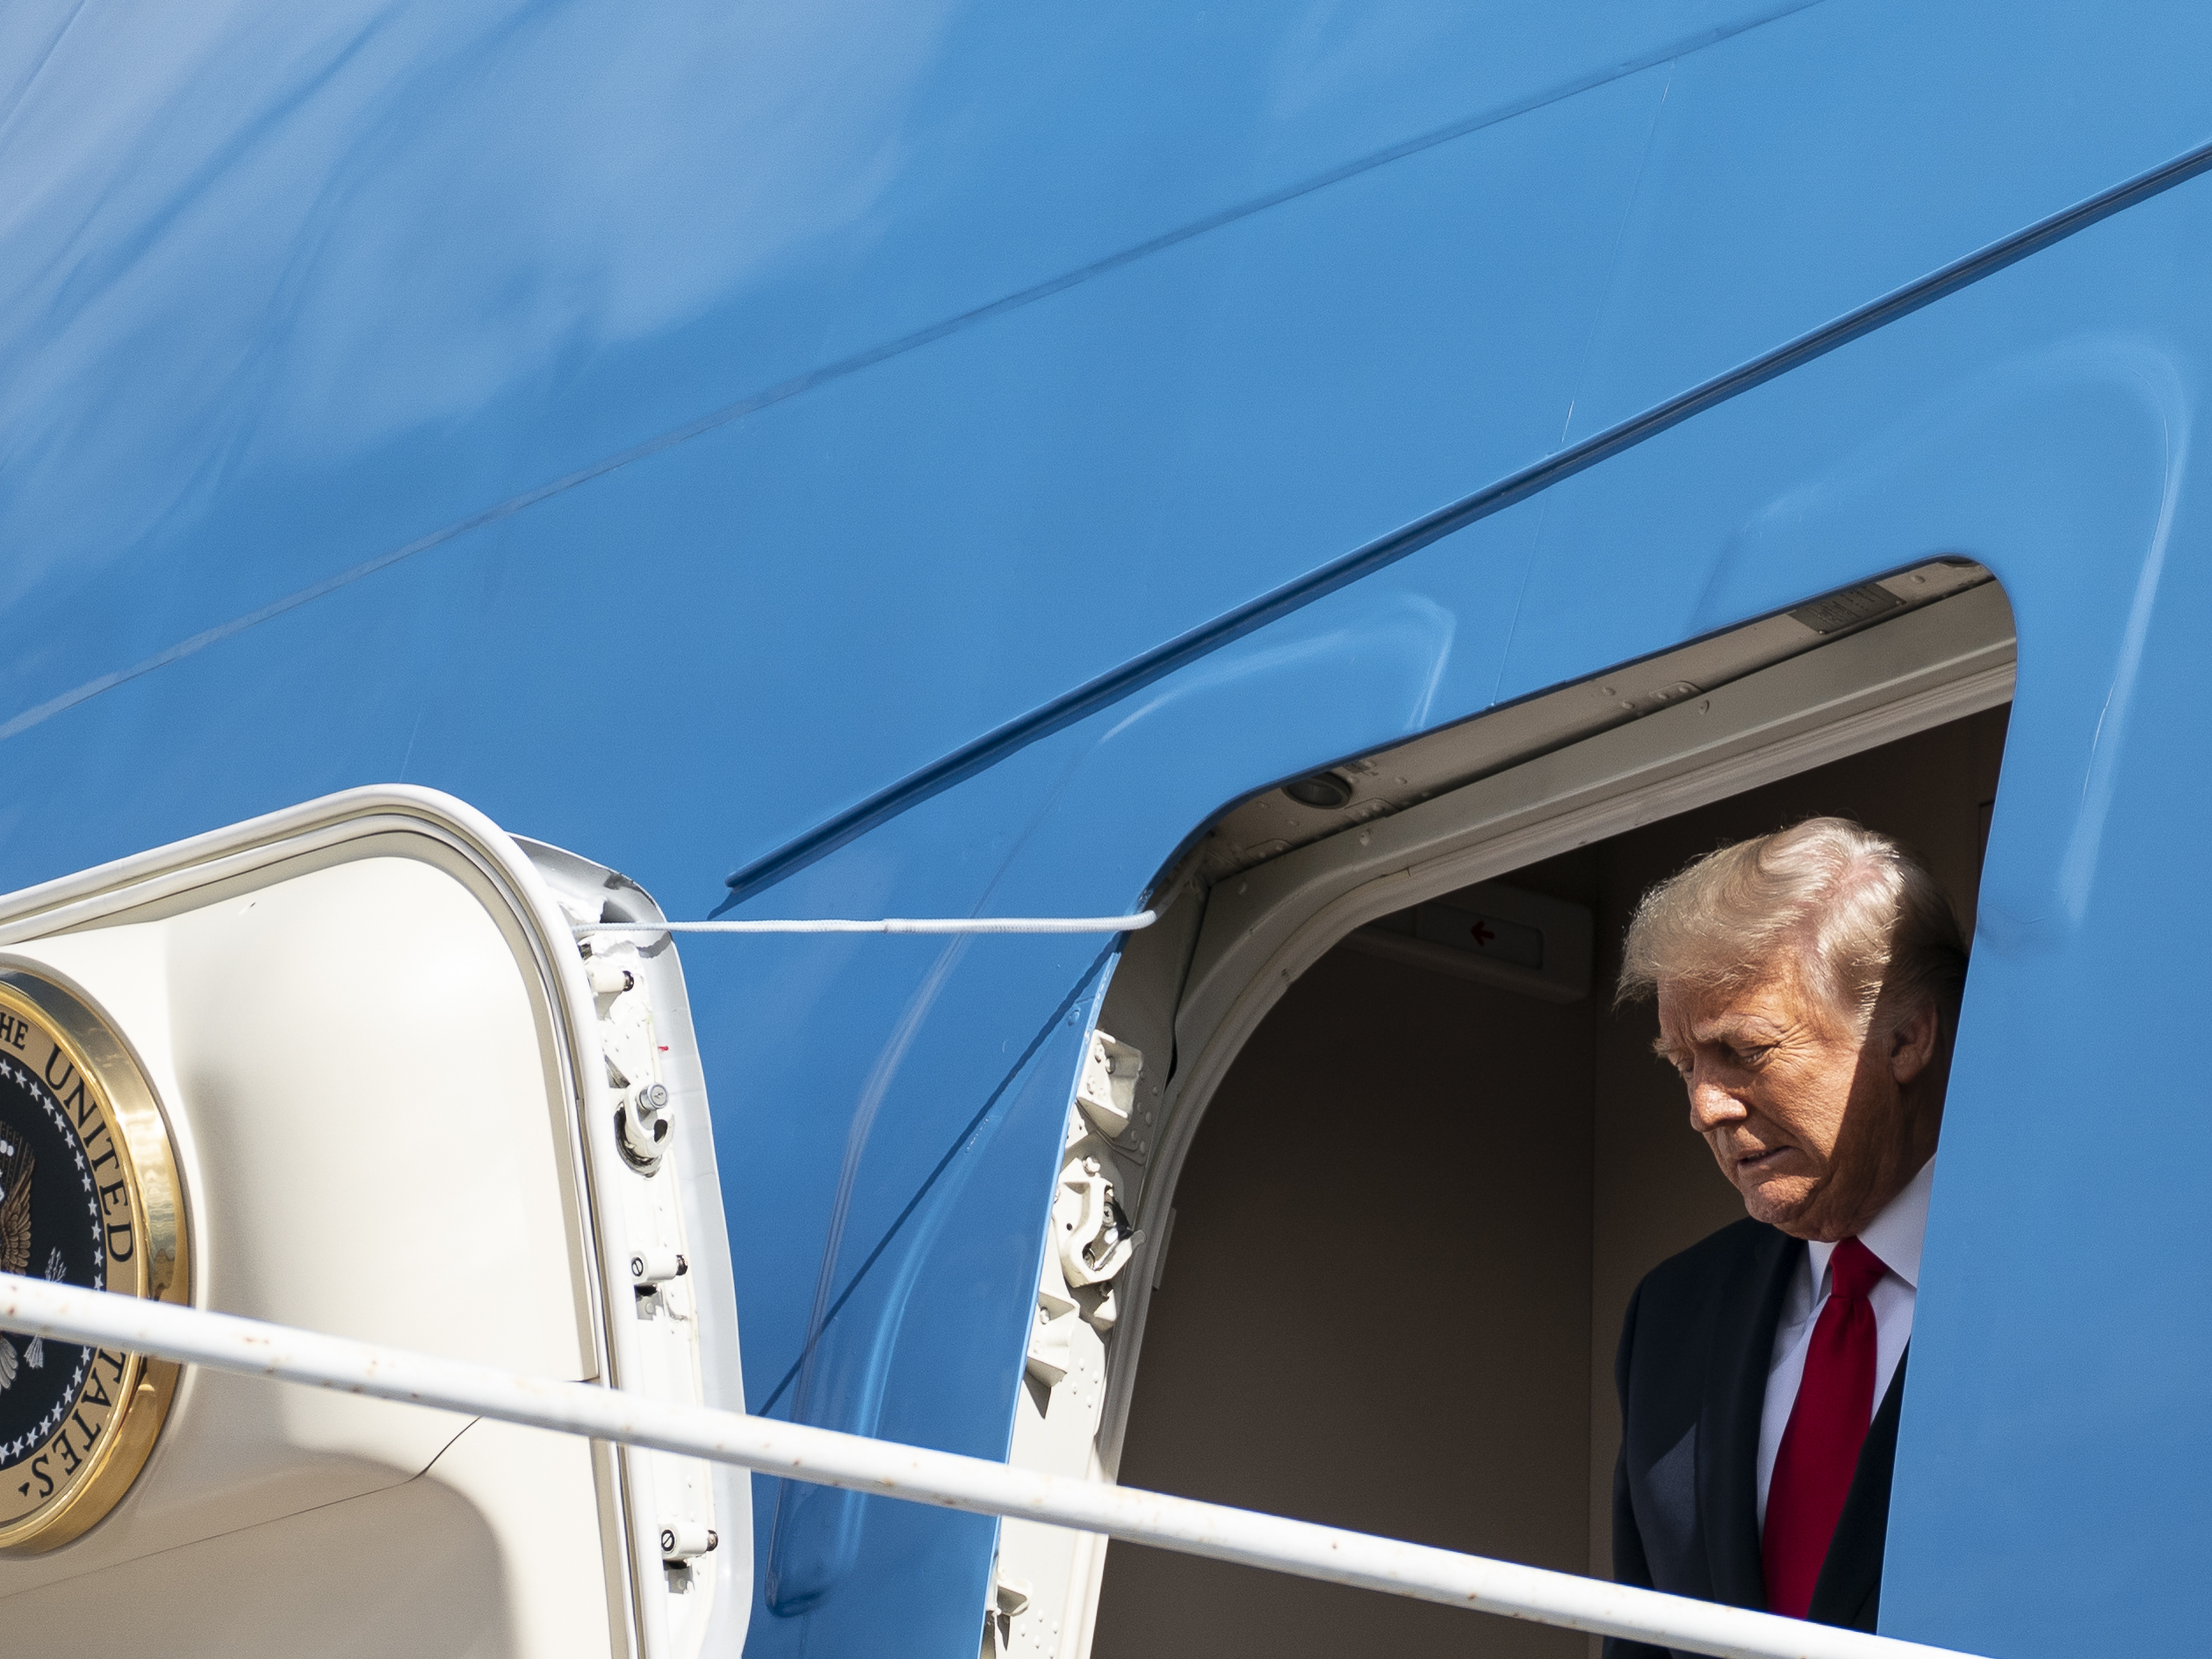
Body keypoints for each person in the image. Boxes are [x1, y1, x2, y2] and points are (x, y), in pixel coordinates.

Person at [1606, 817, 1966, 1651]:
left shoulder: (2075, 1282)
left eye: (1743, 1050)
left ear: (1907, 1035)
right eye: (1683, 1063)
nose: (1704, 1108)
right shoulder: (1671, 1314)